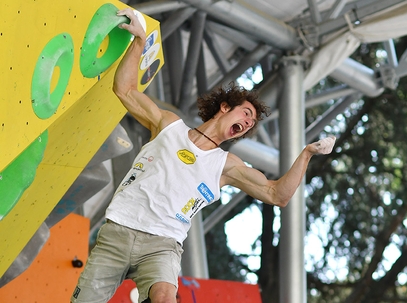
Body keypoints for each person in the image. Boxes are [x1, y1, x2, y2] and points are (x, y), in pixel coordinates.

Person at [71, 8, 336, 303]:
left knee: (163, 298)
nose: (248, 123)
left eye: (250, 124)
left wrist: (307, 153)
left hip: (163, 244)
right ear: (225, 107)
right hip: (118, 230)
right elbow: (125, 90)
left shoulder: (226, 165)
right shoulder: (168, 125)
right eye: (245, 114)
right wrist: (139, 41)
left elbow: (277, 195)